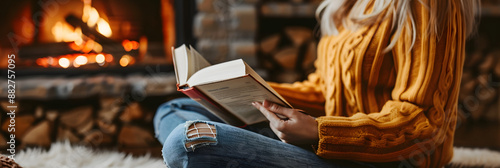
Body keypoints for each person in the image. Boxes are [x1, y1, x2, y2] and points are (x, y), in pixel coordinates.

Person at [154, 0, 480, 167]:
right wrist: (249, 91)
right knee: (176, 106)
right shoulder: (348, 4)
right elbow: (327, 89)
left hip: (384, 160)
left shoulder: (428, 4)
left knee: (189, 139)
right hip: (334, 145)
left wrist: (320, 131)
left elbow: (425, 120)